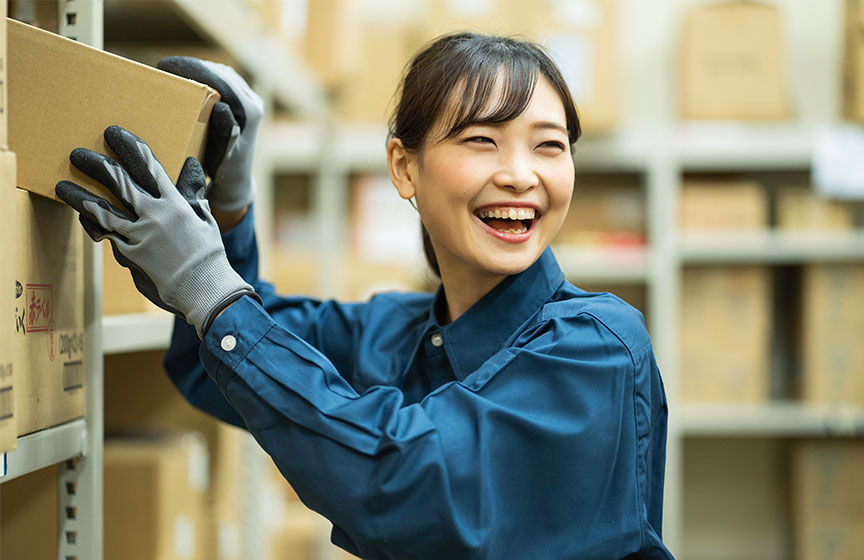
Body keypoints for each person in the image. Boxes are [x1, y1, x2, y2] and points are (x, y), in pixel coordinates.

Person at [56, 32, 673, 560]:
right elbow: (213, 358)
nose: (521, 173)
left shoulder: (596, 349)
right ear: (405, 168)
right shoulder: (393, 333)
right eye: (483, 140)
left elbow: (401, 481)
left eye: (550, 145)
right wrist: (230, 205)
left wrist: (209, 286)